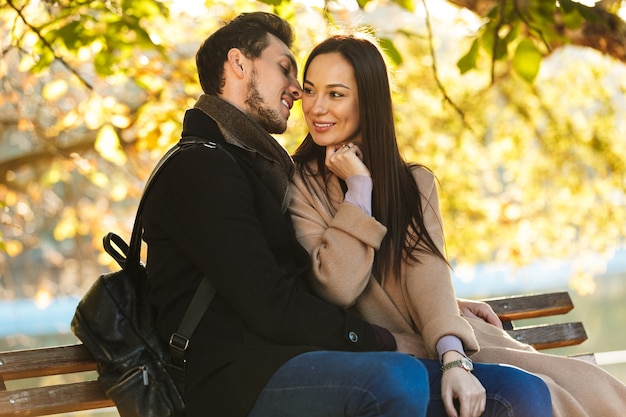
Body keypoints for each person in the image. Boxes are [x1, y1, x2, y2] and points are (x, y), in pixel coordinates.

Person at [142, 11, 552, 417]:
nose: (296, 91)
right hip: (233, 382)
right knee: (396, 379)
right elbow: (272, 303)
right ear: (238, 64)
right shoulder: (201, 169)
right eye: (286, 70)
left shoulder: (253, 165)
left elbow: (292, 277)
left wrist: (442, 304)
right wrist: (383, 340)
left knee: (519, 390)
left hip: (292, 360)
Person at [289, 33, 626, 417]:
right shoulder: (297, 184)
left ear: (369, 100)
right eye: (310, 91)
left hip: (444, 338)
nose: (316, 107)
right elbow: (338, 286)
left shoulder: (414, 182)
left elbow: (425, 271)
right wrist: (359, 191)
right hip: (387, 357)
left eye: (335, 94)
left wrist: (452, 353)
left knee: (586, 384)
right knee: (531, 393)